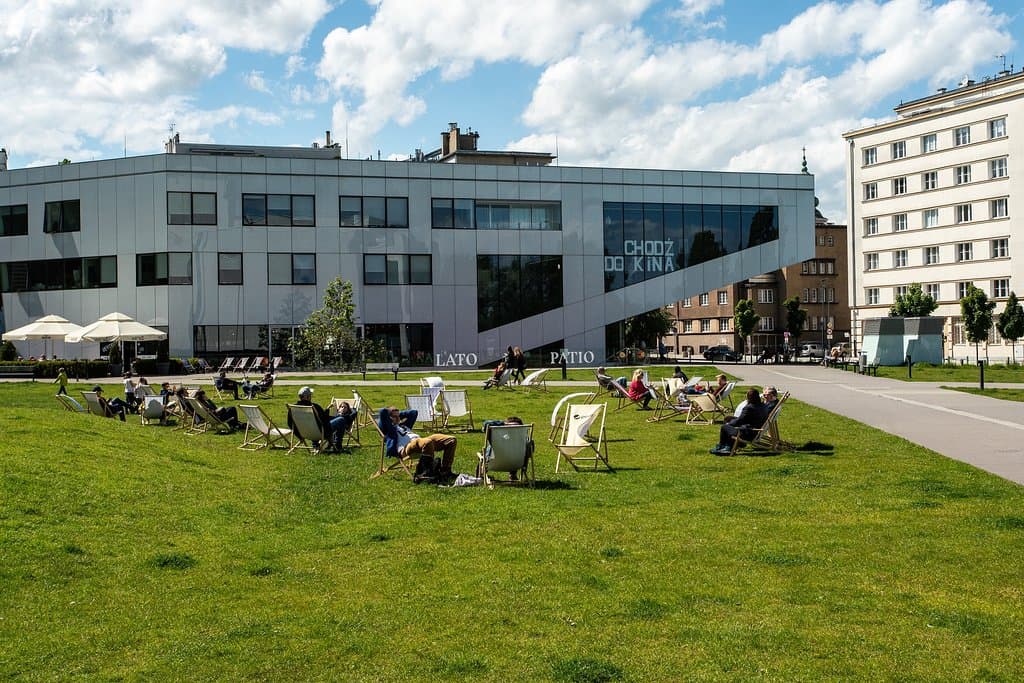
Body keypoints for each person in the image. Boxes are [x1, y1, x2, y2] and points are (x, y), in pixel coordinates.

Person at [378, 406, 457, 483]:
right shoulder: (388, 429)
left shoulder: (404, 425)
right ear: (388, 418)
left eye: (399, 416)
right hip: (406, 448)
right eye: (395, 416)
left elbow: (413, 412)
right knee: (427, 442)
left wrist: (398, 415)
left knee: (451, 440)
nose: (398, 418)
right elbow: (382, 411)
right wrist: (390, 415)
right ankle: (426, 473)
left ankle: (445, 472)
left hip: (420, 441)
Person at [710, 388, 768, 455]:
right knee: (728, 418)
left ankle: (725, 447)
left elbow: (740, 421)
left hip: (748, 433)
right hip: (755, 430)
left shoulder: (749, 407)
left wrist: (729, 424)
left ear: (748, 397)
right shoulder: (763, 406)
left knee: (724, 427)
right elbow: (745, 419)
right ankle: (729, 445)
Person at [480, 416, 532, 481]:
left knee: (486, 450)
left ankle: (481, 474)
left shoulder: (497, 437)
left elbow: (486, 424)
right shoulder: (523, 440)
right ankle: (513, 475)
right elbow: (530, 453)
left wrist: (503, 424)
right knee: (523, 448)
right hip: (516, 463)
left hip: (494, 463)